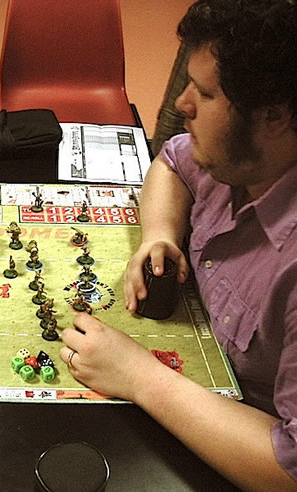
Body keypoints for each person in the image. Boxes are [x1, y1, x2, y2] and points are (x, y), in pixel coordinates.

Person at [59, 0, 297, 489]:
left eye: (205, 94)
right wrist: (159, 234)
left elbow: (289, 470)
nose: (182, 105)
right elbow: (171, 163)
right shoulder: (237, 155)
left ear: (273, 117)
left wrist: (139, 377)